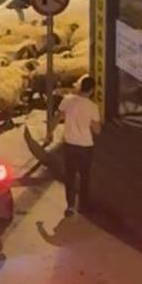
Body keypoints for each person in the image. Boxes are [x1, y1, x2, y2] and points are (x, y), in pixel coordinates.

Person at [45, 76, 101, 217]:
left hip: (69, 144)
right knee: (84, 176)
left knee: (70, 176)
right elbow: (97, 130)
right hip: (86, 146)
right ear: (92, 90)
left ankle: (70, 206)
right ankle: (83, 206)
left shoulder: (67, 100)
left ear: (80, 86)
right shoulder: (93, 107)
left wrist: (49, 133)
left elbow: (57, 118)